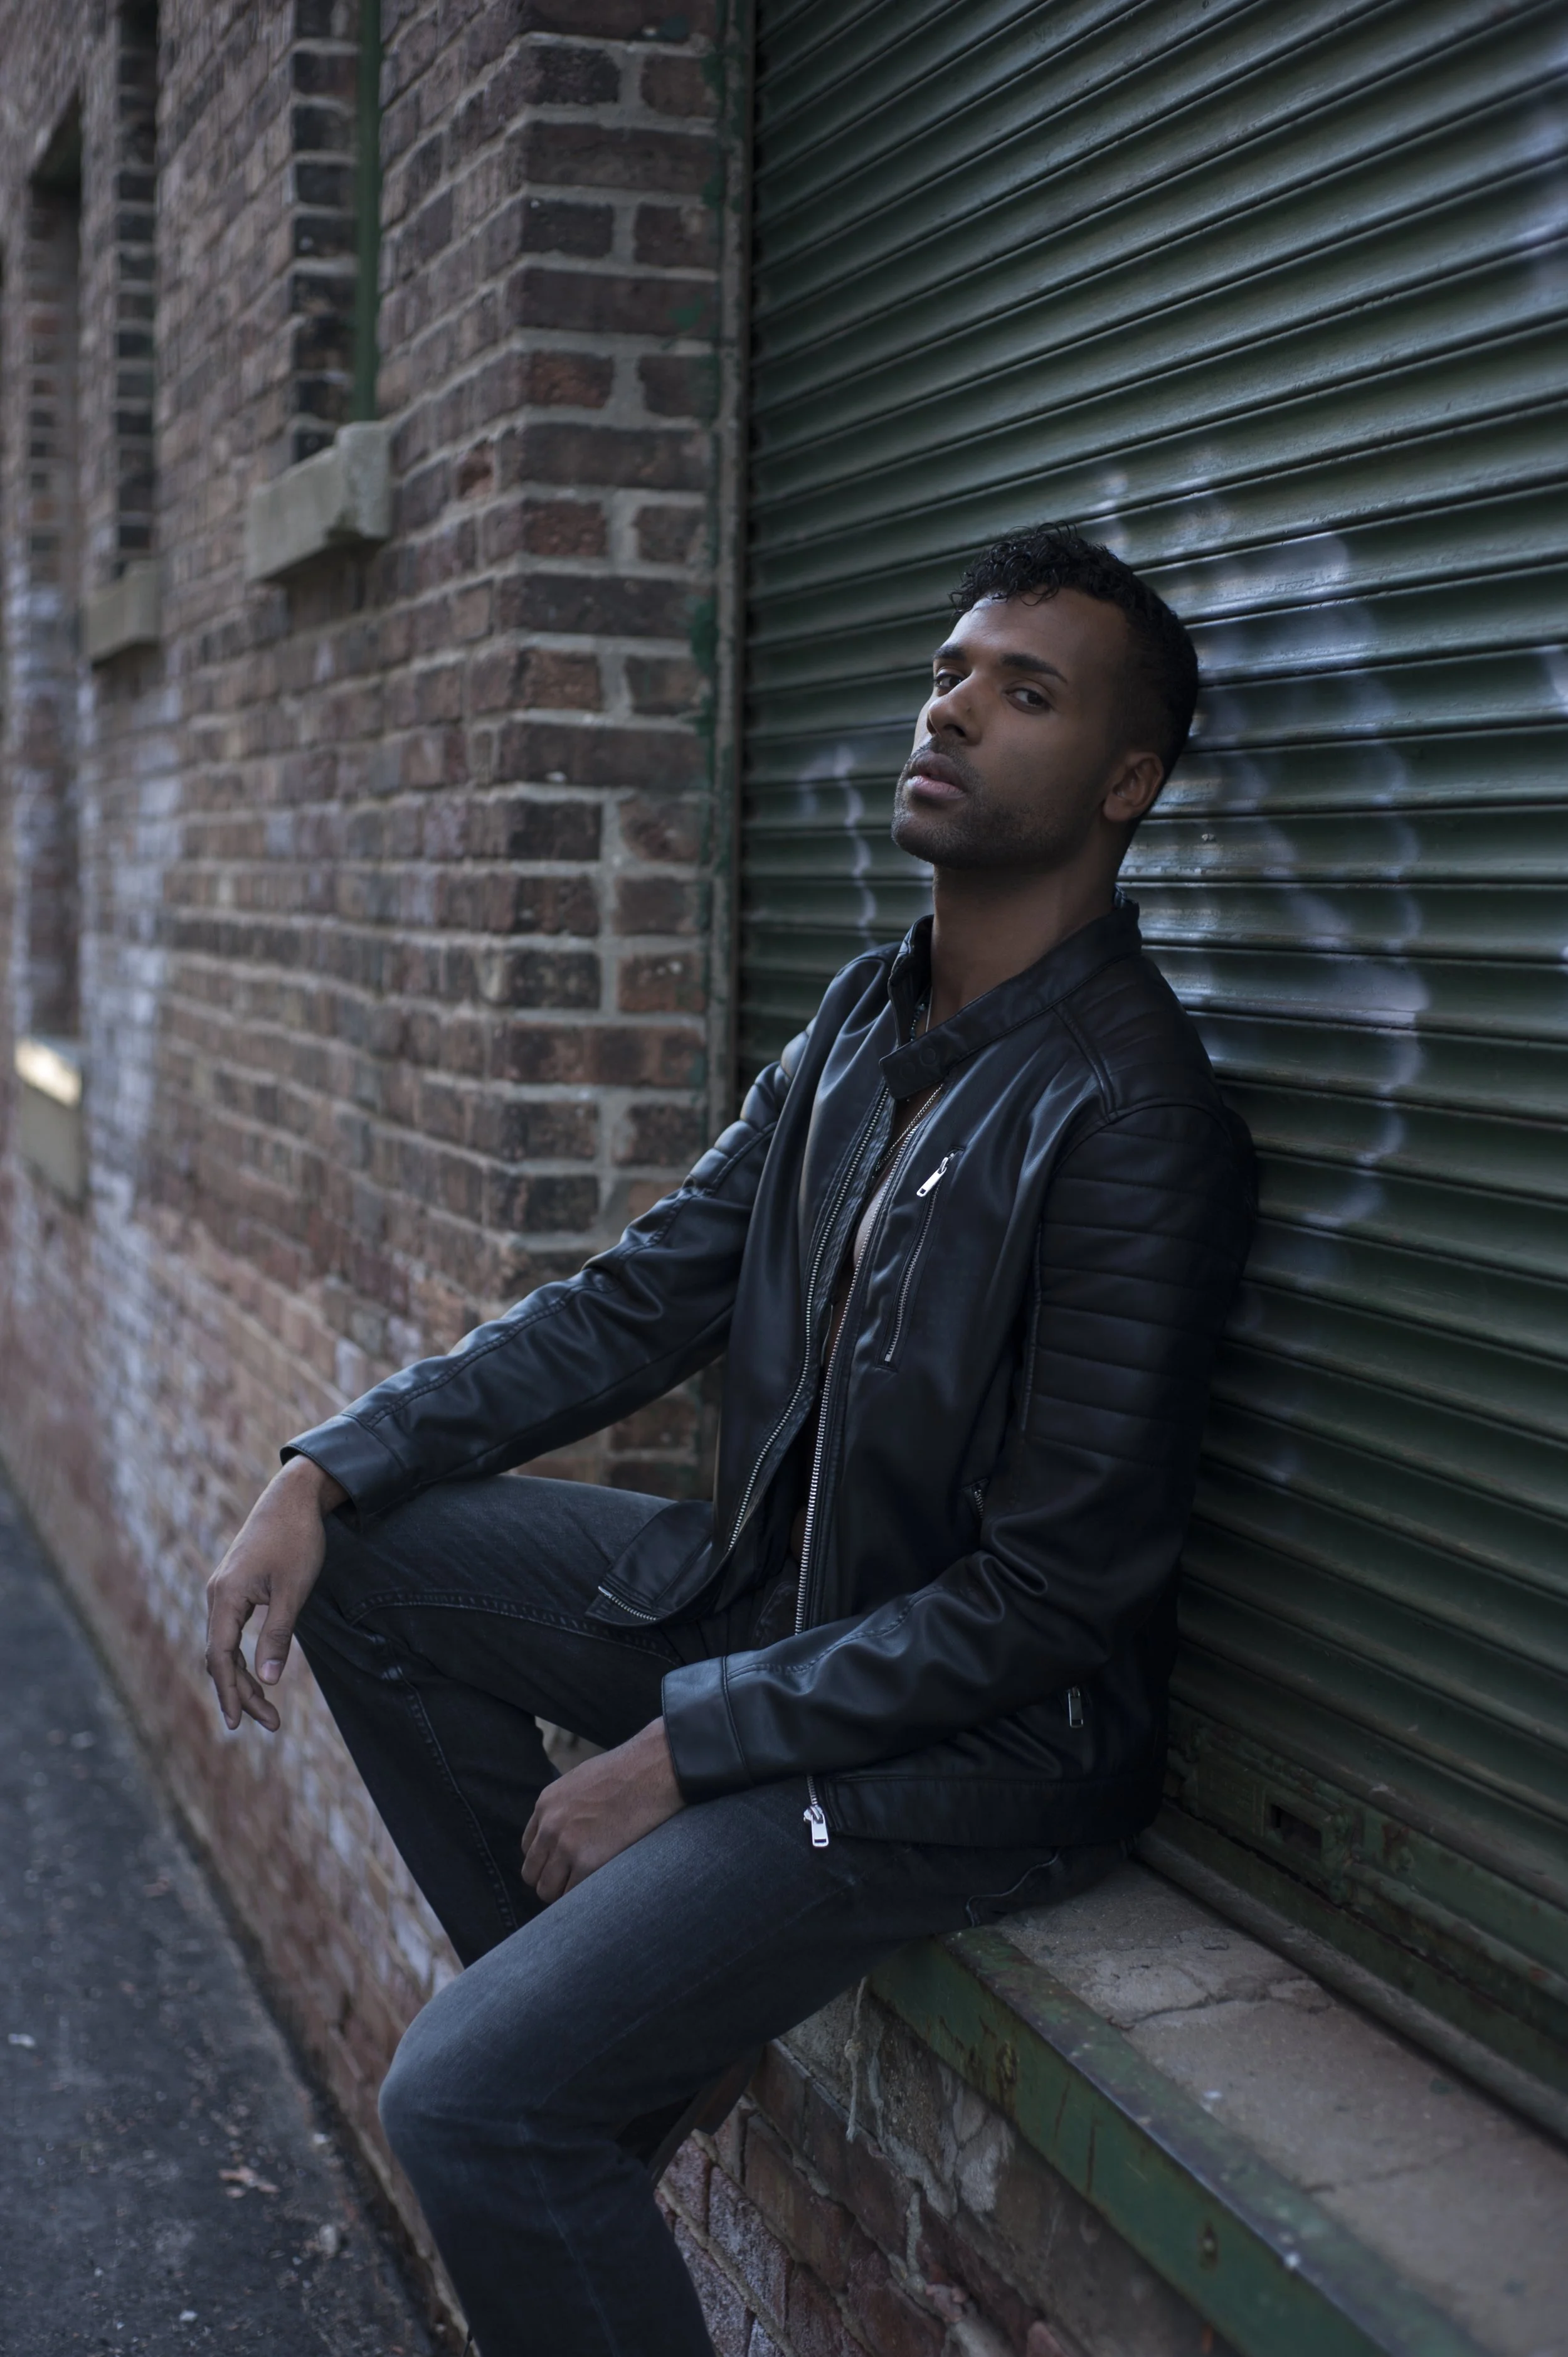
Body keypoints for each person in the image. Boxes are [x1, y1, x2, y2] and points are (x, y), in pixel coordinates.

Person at [204, 523, 1254, 2357]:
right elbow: (629, 1303)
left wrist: (686, 1748)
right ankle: (619, 2053)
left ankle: (567, 2080)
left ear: (1124, 782)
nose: (955, 709)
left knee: (464, 2104)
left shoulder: (1130, 1111)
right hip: (776, 1609)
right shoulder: (861, 1022)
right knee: (368, 1558)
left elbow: (1050, 1598)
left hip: (974, 1739)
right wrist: (327, 1463)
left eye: (1026, 693)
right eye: (949, 671)